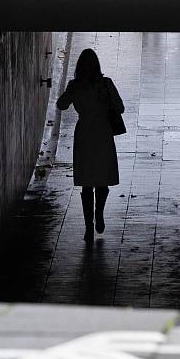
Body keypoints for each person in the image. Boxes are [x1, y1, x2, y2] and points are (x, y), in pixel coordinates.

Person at [56, 49, 125, 240]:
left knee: (87, 183)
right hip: (103, 133)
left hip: (84, 133)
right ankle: (99, 214)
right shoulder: (105, 84)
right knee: (102, 179)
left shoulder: (75, 86)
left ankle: (88, 226)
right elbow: (120, 107)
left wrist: (72, 92)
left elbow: (61, 105)